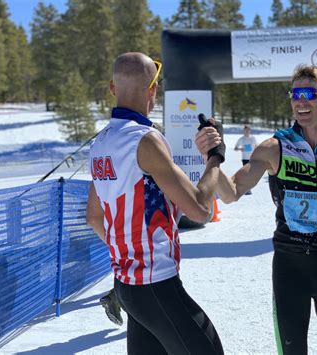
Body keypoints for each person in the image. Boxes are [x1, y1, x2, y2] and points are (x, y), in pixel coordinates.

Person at [196, 65, 317, 354]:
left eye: (308, 94)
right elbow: (231, 194)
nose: (300, 102)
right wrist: (212, 158)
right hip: (289, 265)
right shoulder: (275, 147)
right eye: (294, 94)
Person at [86, 52, 224, 354]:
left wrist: (127, 250)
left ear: (112, 88)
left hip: (127, 285)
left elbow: (94, 217)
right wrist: (215, 158)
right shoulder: (145, 139)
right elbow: (200, 209)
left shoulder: (100, 143)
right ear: (154, 89)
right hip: (156, 285)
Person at [234, 125, 257, 195]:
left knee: (251, 174)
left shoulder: (253, 138)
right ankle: (247, 189)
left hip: (252, 158)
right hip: (245, 159)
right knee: (246, 174)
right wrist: (241, 149)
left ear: (250, 131)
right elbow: (235, 148)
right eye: (246, 130)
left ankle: (248, 188)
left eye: (248, 130)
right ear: (244, 131)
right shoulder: (241, 139)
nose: (247, 131)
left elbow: (256, 146)